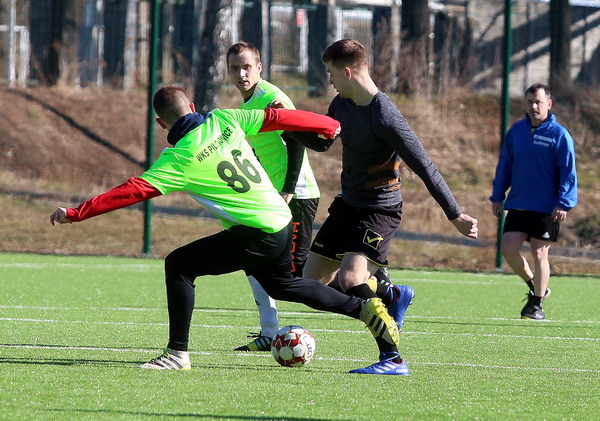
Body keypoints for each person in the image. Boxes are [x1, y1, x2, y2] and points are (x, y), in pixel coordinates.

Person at [50, 86, 407, 375]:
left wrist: (76, 213)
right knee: (282, 285)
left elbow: (132, 191)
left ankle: (177, 354)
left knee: (179, 265)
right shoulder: (225, 118)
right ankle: (363, 309)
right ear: (192, 106)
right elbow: (277, 117)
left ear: (161, 123)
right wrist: (324, 124)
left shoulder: (178, 158)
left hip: (256, 231)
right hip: (280, 218)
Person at [282, 39, 479, 374]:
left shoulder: (385, 116)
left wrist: (455, 214)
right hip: (348, 204)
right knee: (311, 284)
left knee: (351, 279)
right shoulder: (342, 104)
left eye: (331, 73)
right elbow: (324, 142)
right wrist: (289, 123)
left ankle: (393, 358)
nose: (329, 80)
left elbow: (424, 166)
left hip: (379, 209)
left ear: (347, 72)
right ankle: (390, 294)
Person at [225, 42, 320, 352]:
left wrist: (289, 188)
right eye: (235, 68)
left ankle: (377, 290)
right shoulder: (246, 106)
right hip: (271, 198)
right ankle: (268, 331)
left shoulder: (272, 98)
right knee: (252, 257)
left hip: (296, 195)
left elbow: (296, 141)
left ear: (259, 68)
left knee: (297, 275)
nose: (241, 74)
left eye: (246, 67)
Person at [490, 83, 577, 320]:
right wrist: (498, 195)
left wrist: (564, 202)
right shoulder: (517, 131)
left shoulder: (559, 135)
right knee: (508, 249)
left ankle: (536, 305)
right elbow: (505, 165)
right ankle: (535, 285)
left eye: (538, 102)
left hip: (546, 207)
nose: (534, 106)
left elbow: (568, 172)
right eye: (530, 102)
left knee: (539, 254)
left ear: (549, 104)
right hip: (519, 203)